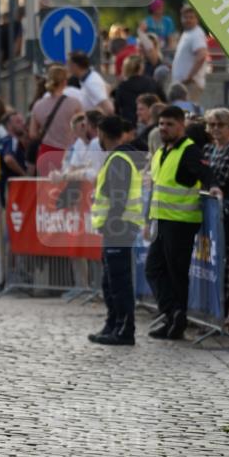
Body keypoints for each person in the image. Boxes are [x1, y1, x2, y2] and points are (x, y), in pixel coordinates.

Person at [145, 105, 220, 340]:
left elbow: (206, 174)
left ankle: (176, 319)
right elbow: (157, 186)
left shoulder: (189, 151)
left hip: (181, 222)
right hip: (163, 220)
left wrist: (214, 187)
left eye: (169, 124)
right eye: (161, 124)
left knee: (176, 274)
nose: (164, 128)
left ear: (181, 125)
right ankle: (173, 313)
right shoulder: (161, 151)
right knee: (154, 269)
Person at [89, 115, 145, 346]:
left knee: (119, 281)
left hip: (119, 227)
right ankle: (113, 323)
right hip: (116, 227)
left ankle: (125, 328)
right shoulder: (117, 158)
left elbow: (118, 199)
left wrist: (110, 222)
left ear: (102, 133)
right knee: (110, 280)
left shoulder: (119, 159)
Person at [28, 64, 82, 173]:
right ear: (64, 82)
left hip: (46, 154)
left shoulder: (38, 105)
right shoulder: (74, 104)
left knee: (46, 189)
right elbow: (83, 129)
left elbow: (32, 134)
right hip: (68, 154)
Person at [204, 108, 229, 319]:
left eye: (220, 125)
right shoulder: (208, 150)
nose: (215, 129)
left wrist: (209, 182)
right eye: (211, 125)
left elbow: (222, 180)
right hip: (211, 217)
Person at [171, 5, 208, 104]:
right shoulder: (188, 33)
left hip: (190, 85)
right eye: (185, 17)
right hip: (183, 85)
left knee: (189, 115)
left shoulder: (196, 34)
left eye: (191, 17)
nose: (188, 20)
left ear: (197, 19)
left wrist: (189, 76)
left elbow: (201, 55)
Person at [113, 54, 159, 126]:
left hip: (129, 125)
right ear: (141, 68)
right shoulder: (151, 83)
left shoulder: (122, 87)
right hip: (150, 122)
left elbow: (117, 110)